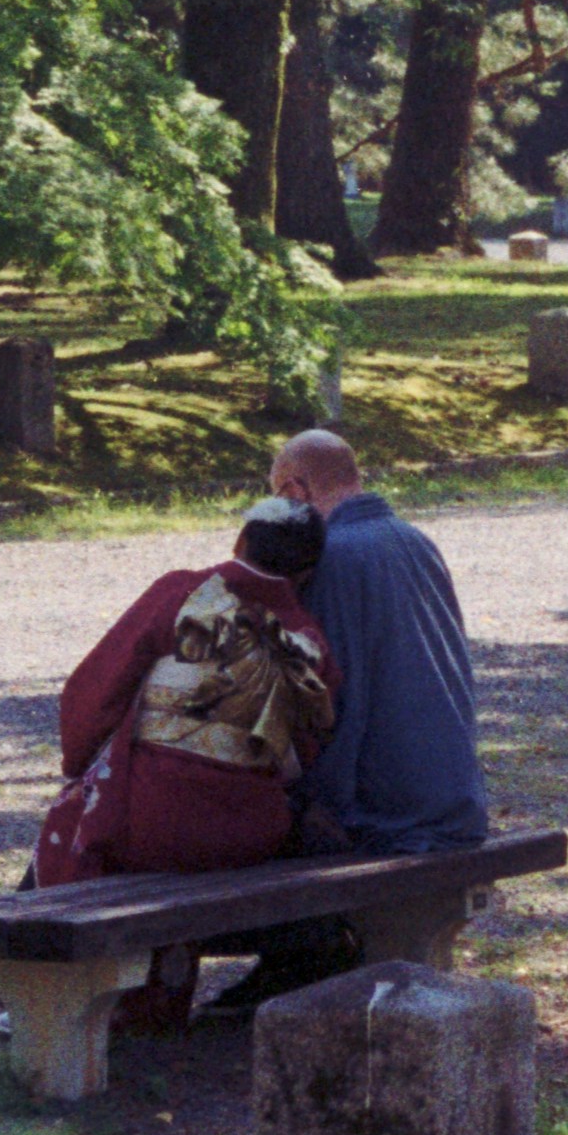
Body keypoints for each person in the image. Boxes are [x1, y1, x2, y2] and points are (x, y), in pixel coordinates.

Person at [207, 427, 489, 1010]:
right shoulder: (415, 541)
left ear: (295, 490)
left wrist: (314, 799)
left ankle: (303, 955)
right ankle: (299, 958)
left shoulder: (330, 558)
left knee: (232, 817)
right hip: (453, 800)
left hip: (394, 817)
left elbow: (327, 706)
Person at [35, 497, 342, 890]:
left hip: (150, 823)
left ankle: (24, 947)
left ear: (240, 542)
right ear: (305, 573)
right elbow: (309, 743)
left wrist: (79, 760)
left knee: (71, 818)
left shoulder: (182, 594)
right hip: (252, 834)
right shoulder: (308, 640)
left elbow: (96, 690)